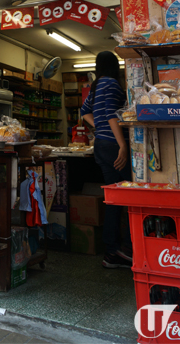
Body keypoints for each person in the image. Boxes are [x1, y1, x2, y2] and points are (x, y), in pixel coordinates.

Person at [81, 51, 132, 268]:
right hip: (113, 146)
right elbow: (111, 114)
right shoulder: (111, 84)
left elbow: (84, 112)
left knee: (114, 199)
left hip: (101, 145)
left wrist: (100, 128)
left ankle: (112, 252)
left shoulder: (96, 86)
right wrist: (123, 145)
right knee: (130, 197)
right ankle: (128, 250)